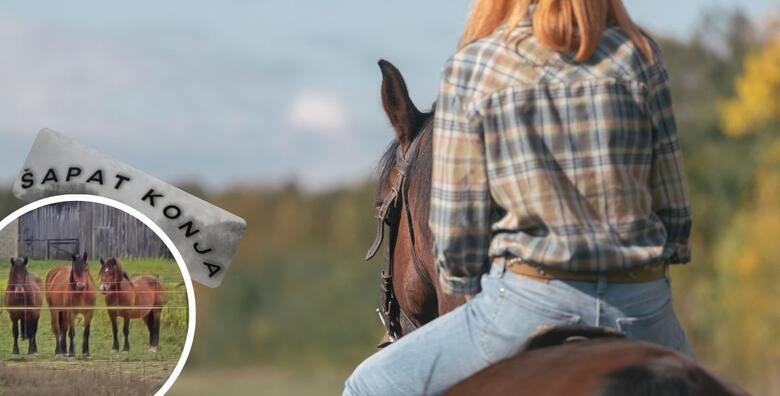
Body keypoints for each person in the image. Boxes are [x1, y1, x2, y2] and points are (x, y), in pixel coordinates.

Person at [345, 0, 694, 394]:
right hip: (643, 304)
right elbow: (676, 221)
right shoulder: (639, 53)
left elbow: (456, 244)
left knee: (367, 384)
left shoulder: (475, 66)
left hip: (529, 304)